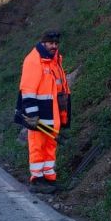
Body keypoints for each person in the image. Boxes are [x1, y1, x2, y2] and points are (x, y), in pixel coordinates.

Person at [15, 30, 71, 193]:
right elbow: (28, 90)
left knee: (50, 146)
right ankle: (37, 179)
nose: (54, 46)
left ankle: (49, 178)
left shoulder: (54, 60)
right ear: (43, 43)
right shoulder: (34, 60)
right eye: (51, 43)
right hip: (39, 113)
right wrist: (32, 114)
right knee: (38, 146)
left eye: (56, 44)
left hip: (52, 112)